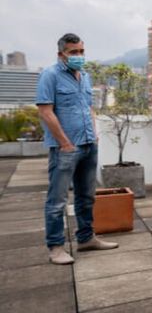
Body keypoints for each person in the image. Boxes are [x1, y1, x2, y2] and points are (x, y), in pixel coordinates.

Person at [37, 33, 118, 265]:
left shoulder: (85, 76)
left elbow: (88, 107)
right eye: (73, 52)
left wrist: (93, 135)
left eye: (81, 51)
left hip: (88, 144)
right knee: (57, 200)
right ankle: (55, 247)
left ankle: (86, 238)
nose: (79, 56)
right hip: (65, 148)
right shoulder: (50, 75)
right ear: (61, 54)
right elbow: (45, 111)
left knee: (86, 196)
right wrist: (65, 143)